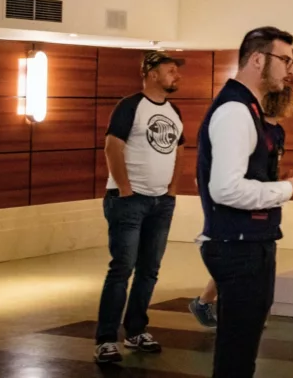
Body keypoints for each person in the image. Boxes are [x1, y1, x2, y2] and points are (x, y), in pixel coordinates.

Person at [197, 27, 293, 378]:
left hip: (249, 244)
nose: (292, 70)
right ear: (258, 59)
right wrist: (284, 190)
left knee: (241, 349)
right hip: (238, 248)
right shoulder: (235, 111)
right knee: (236, 353)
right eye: (286, 60)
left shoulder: (248, 110)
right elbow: (225, 190)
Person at [94, 51, 187, 364]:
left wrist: (172, 190)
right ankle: (106, 339)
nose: (177, 74)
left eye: (177, 70)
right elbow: (112, 146)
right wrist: (125, 189)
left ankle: (136, 331)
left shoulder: (173, 111)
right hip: (129, 202)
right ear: (150, 73)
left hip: (161, 202)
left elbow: (181, 150)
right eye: (170, 69)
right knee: (122, 269)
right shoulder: (130, 105)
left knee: (150, 270)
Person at [189, 86, 293, 329]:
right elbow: (228, 177)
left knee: (256, 264)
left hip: (261, 209)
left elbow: (266, 168)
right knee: (238, 262)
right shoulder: (240, 120)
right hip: (238, 212)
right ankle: (210, 304)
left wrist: (280, 184)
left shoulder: (276, 131)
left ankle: (238, 311)